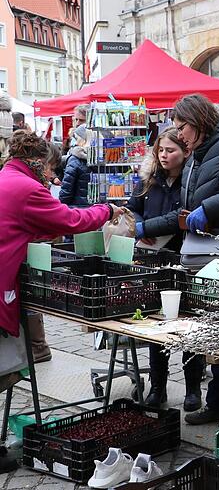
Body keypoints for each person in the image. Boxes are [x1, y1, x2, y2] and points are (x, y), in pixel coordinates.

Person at [137, 93, 219, 425]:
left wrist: (209, 208)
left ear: (197, 121)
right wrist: (143, 227)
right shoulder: (198, 153)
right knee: (218, 332)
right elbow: (185, 215)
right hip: (214, 257)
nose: (178, 134)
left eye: (181, 127)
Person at [0, 131, 120, 472]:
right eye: (51, 167)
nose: (53, 175)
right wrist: (106, 209)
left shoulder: (6, 178)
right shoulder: (27, 188)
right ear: (38, 161)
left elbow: (17, 226)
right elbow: (71, 220)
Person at [125, 127, 204, 411]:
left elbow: (179, 218)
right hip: (152, 260)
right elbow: (132, 207)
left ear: (185, 152)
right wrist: (137, 225)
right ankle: (158, 386)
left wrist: (149, 226)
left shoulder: (191, 180)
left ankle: (193, 389)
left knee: (189, 325)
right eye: (160, 150)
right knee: (155, 324)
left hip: (185, 259)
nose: (164, 155)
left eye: (170, 150)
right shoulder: (149, 179)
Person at [59, 125, 91, 207]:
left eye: (76, 138)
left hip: (78, 211)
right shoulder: (106, 160)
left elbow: (66, 191)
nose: (75, 142)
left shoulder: (75, 159)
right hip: (103, 210)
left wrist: (61, 205)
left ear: (83, 140)